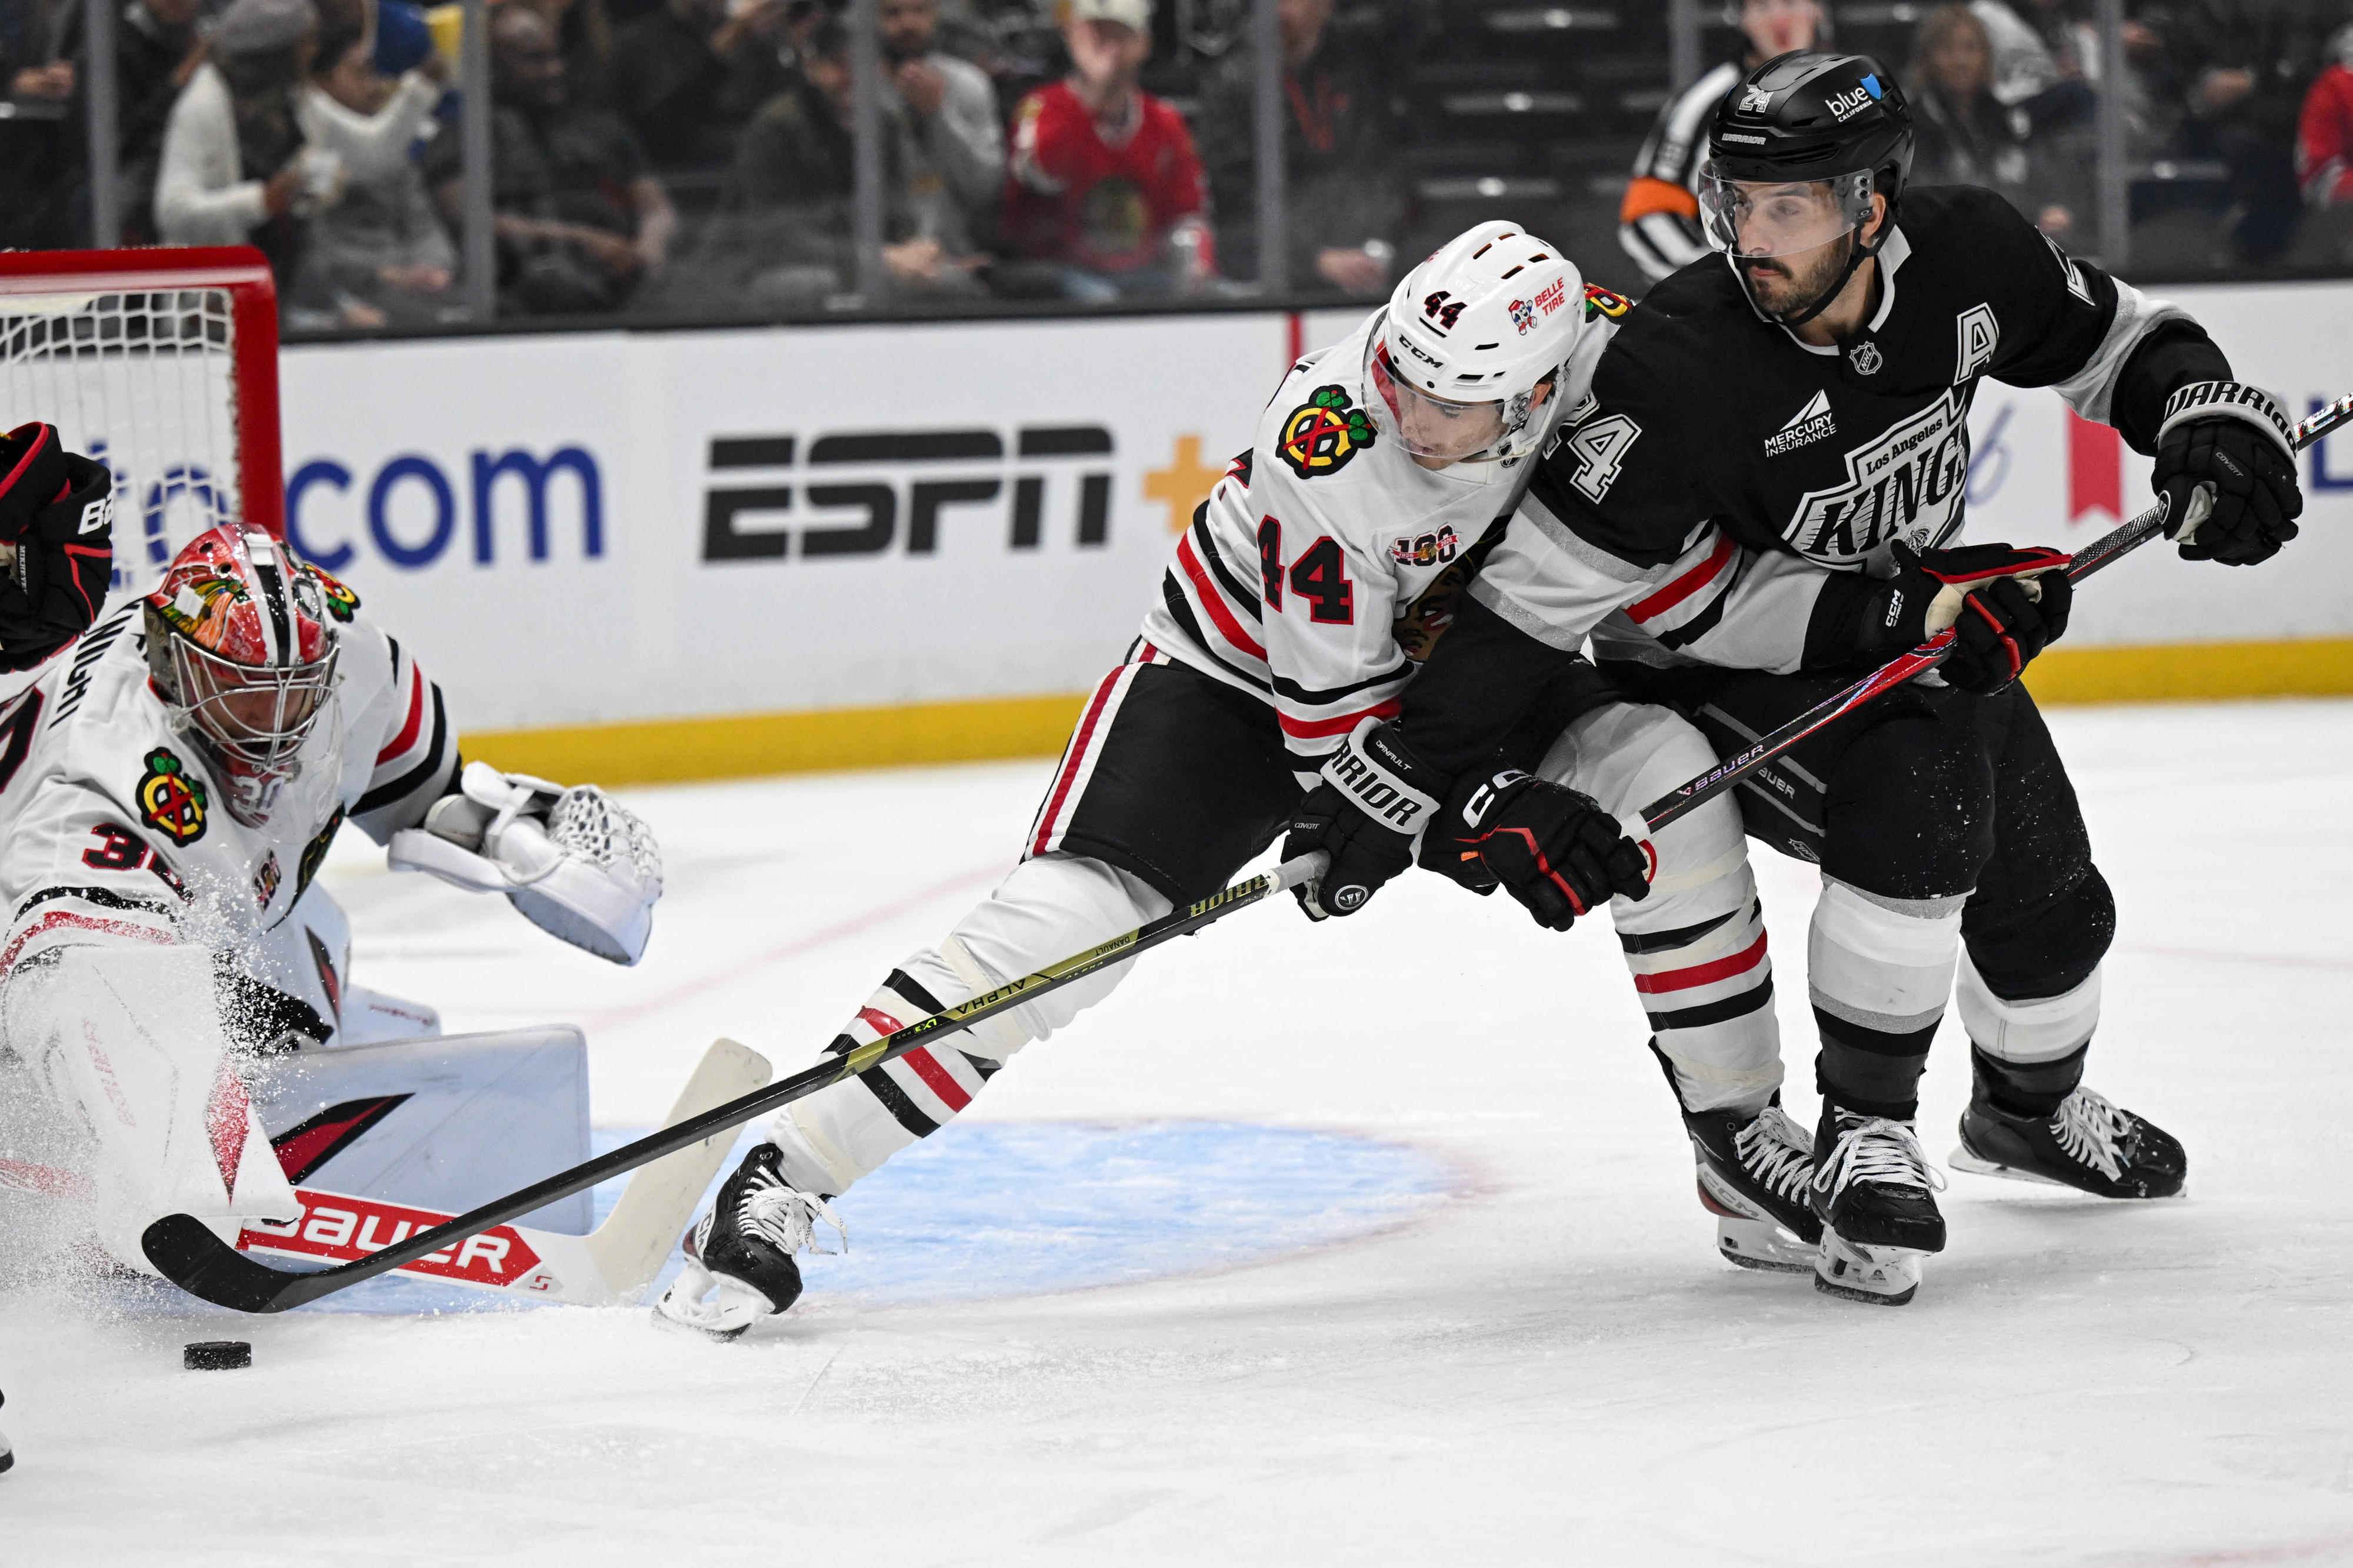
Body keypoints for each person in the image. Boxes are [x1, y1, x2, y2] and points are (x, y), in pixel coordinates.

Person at [653, 222, 1808, 1339]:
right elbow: (1335, 736)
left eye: (1449, 403)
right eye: (1403, 376)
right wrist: (1489, 813)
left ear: (1534, 396)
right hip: (1238, 685)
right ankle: (782, 1171)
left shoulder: (1612, 362)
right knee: (1057, 933)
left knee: (1669, 776)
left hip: (1479, 668)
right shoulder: (1331, 441)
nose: (1410, 415)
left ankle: (1738, 1141)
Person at [1311, 54, 2304, 1307]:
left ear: (1870, 207)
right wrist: (1405, 772)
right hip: (1717, 665)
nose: (1752, 238)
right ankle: (1864, 1129)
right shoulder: (1679, 365)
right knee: (1923, 786)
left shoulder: (1970, 257)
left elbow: (2116, 341)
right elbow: (1526, 613)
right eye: (1736, 203)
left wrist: (2198, 415)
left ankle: (2025, 1108)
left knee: (2051, 894)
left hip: (1902, 629)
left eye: (1787, 207)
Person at [0, 519, 664, 1275]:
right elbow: (84, 983)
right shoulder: (97, 783)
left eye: (295, 694)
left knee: (305, 972)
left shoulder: (352, 655)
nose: (276, 726)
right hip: (26, 944)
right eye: (246, 696)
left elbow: (428, 797)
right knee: (125, 1016)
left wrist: (512, 834)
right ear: (172, 665)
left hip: (210, 918)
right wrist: (196, 1169)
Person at [694, 15, 979, 308]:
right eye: (838, 65)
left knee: (951, 281)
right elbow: (776, 238)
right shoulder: (776, 126)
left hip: (859, 262)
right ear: (812, 67)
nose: (853, 77)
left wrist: (918, 249)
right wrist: (876, 258)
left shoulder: (886, 125)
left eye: (867, 64)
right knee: (819, 285)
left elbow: (899, 216)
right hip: (757, 269)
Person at [427, 4, 676, 315]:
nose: (555, 70)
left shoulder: (599, 129)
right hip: (522, 289)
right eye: (535, 60)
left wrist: (648, 251)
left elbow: (655, 205)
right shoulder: (464, 137)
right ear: (494, 68)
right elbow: (469, 221)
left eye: (556, 57)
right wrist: (583, 241)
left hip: (622, 281)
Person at [998, 0, 1211, 301]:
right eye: (1096, 35)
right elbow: (1043, 176)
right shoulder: (1041, 108)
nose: (1107, 48)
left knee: (1224, 296)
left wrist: (1197, 264)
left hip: (1141, 272)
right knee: (1100, 299)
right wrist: (1095, 97)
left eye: (1119, 35)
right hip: (1055, 271)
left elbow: (1187, 213)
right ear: (1072, 38)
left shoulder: (1166, 122)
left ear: (1144, 44)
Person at [1197, 0, 1401, 298]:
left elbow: (1376, 166)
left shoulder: (1358, 62)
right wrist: (1314, 259)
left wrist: (1375, 246)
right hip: (1269, 266)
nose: (1281, 8)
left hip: (1359, 250)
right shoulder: (1233, 82)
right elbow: (1235, 200)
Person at [1618, 0, 1821, 285]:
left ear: (1817, 10)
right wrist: (1723, 282)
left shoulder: (1856, 95)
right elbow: (1649, 215)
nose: (1779, 18)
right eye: (1762, 7)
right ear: (1742, 20)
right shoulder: (1704, 103)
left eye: (1790, 2)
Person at [154, 0, 338, 285]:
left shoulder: (295, 99)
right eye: (305, 42)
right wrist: (261, 201)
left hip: (286, 283)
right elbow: (173, 214)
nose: (314, 51)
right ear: (276, 51)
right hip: (212, 295)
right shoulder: (202, 105)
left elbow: (372, 148)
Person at [292, 20, 456, 326]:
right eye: (360, 74)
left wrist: (434, 268)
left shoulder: (396, 160)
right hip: (346, 291)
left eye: (373, 72)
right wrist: (383, 274)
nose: (374, 86)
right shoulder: (302, 144)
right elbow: (313, 248)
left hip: (409, 283)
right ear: (320, 83)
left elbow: (423, 224)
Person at [1908, 4, 2077, 239]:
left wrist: (2054, 209)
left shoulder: (2007, 120)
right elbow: (1922, 199)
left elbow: (2041, 181)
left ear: (1986, 56)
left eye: (1970, 48)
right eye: (1946, 49)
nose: (1960, 61)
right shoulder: (1912, 125)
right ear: (1926, 58)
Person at [879, 0, 1005, 254]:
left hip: (958, 254)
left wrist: (938, 114)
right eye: (893, 13)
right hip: (881, 255)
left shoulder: (969, 84)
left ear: (934, 15)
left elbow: (986, 187)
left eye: (919, 11)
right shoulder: (856, 88)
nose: (907, 23)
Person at [610, 0, 794, 169]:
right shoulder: (638, 42)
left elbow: (781, 106)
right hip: (688, 175)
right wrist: (723, 50)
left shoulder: (754, 38)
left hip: (760, 166)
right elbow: (662, 128)